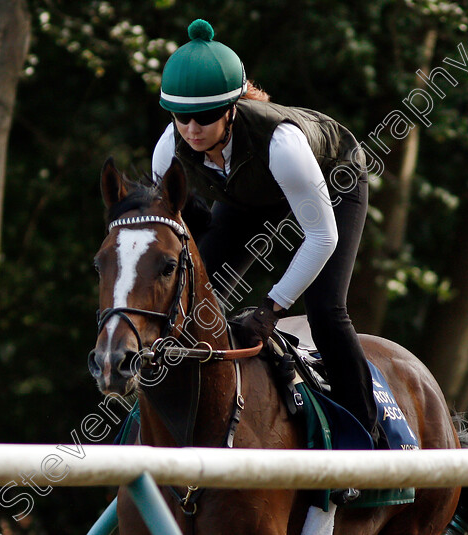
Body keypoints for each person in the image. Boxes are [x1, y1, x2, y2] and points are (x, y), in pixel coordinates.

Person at [151, 19, 380, 451]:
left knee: (326, 309)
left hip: (333, 180)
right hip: (249, 192)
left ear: (232, 109)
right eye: (182, 116)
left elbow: (322, 238)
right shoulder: (169, 149)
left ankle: (367, 440)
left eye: (205, 116)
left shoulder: (282, 145)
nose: (192, 129)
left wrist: (271, 307)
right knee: (193, 295)